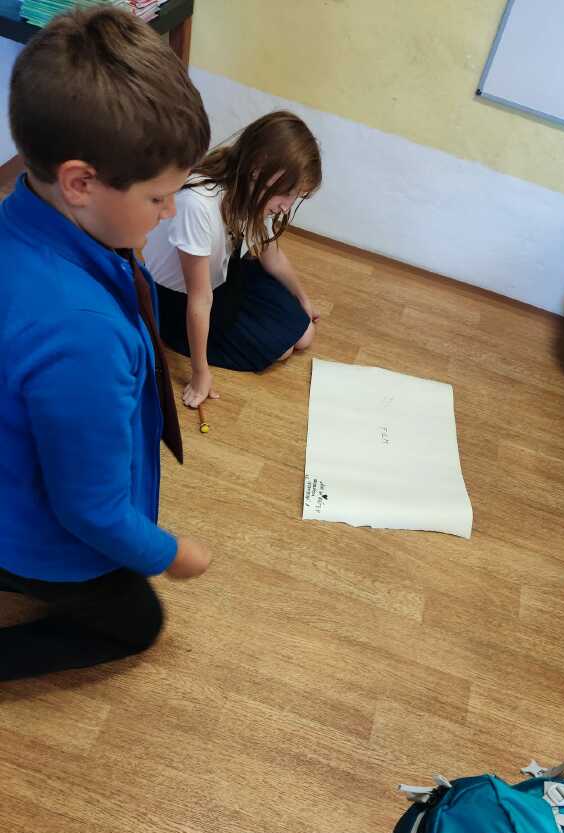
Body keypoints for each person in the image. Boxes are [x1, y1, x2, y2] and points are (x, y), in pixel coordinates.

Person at [0, 7, 212, 681]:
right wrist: (170, 553)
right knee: (138, 622)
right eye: (158, 198)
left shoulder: (21, 215)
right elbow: (87, 508)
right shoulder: (82, 336)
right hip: (32, 536)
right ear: (80, 183)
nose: (170, 212)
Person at [143, 111, 322, 407]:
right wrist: (200, 373)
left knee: (305, 333)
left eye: (295, 196)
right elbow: (200, 299)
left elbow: (272, 255)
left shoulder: (251, 191)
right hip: (180, 300)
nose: (286, 207)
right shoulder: (197, 204)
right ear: (258, 168)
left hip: (227, 274)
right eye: (287, 193)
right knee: (284, 349)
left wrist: (303, 298)